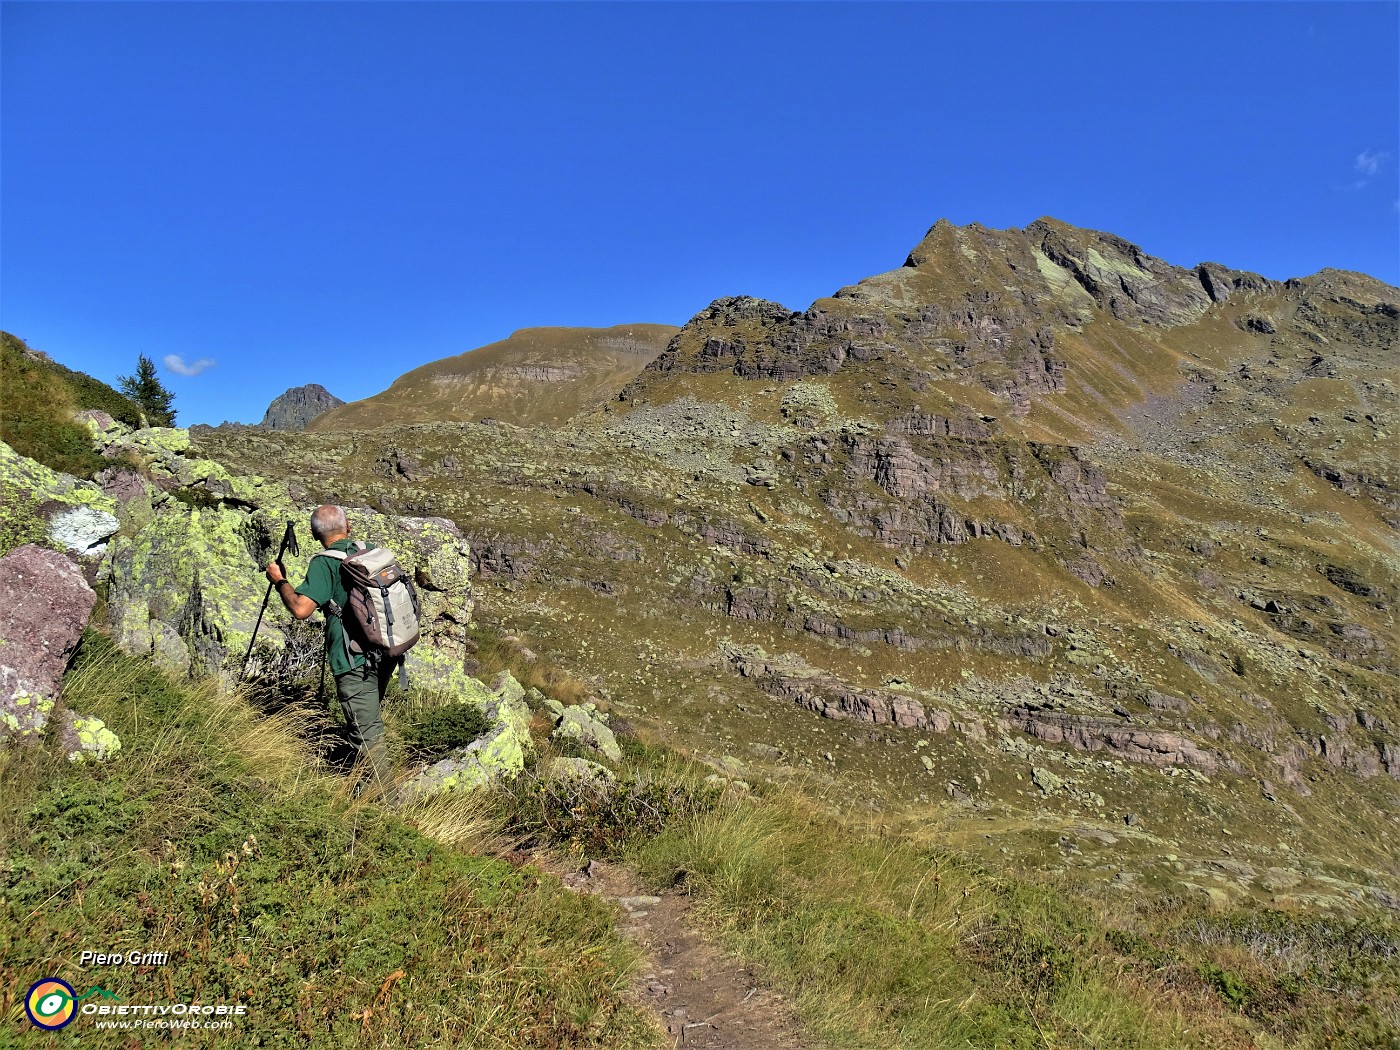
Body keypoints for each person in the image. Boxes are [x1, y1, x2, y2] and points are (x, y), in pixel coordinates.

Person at [265, 505, 395, 800]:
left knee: (368, 733)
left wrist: (280, 581)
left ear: (313, 534)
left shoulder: (324, 563)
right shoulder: (369, 550)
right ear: (348, 526)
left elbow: (301, 609)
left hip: (353, 659)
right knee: (366, 723)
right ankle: (359, 788)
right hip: (387, 651)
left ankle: (391, 806)